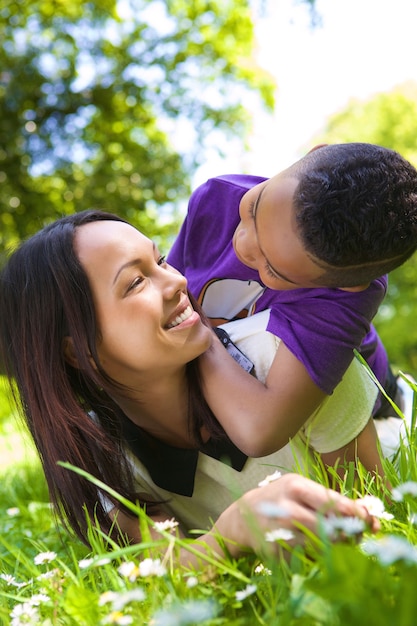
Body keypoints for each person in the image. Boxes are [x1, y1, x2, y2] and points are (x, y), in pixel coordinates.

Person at [0, 210, 380, 564]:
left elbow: (378, 513)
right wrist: (235, 530)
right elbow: (167, 569)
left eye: (161, 260)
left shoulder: (287, 359)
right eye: (135, 282)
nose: (178, 281)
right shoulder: (98, 455)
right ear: (78, 352)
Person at [167, 142, 417, 458]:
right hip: (237, 375)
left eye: (272, 268)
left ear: (349, 286)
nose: (243, 245)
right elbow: (168, 297)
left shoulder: (350, 295)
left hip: (374, 415)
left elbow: (260, 432)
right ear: (313, 153)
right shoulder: (215, 198)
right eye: (254, 208)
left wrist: (194, 333)